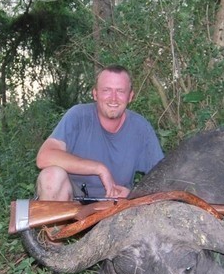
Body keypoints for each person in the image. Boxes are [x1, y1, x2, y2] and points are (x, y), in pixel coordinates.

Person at [35, 65, 164, 201]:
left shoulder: (141, 128)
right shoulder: (78, 116)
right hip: (73, 202)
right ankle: (55, 223)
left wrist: (133, 194)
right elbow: (44, 157)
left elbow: (163, 177)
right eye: (106, 90)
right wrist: (99, 168)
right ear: (95, 94)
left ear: (130, 96)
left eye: (120, 91)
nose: (113, 98)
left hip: (117, 204)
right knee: (51, 176)